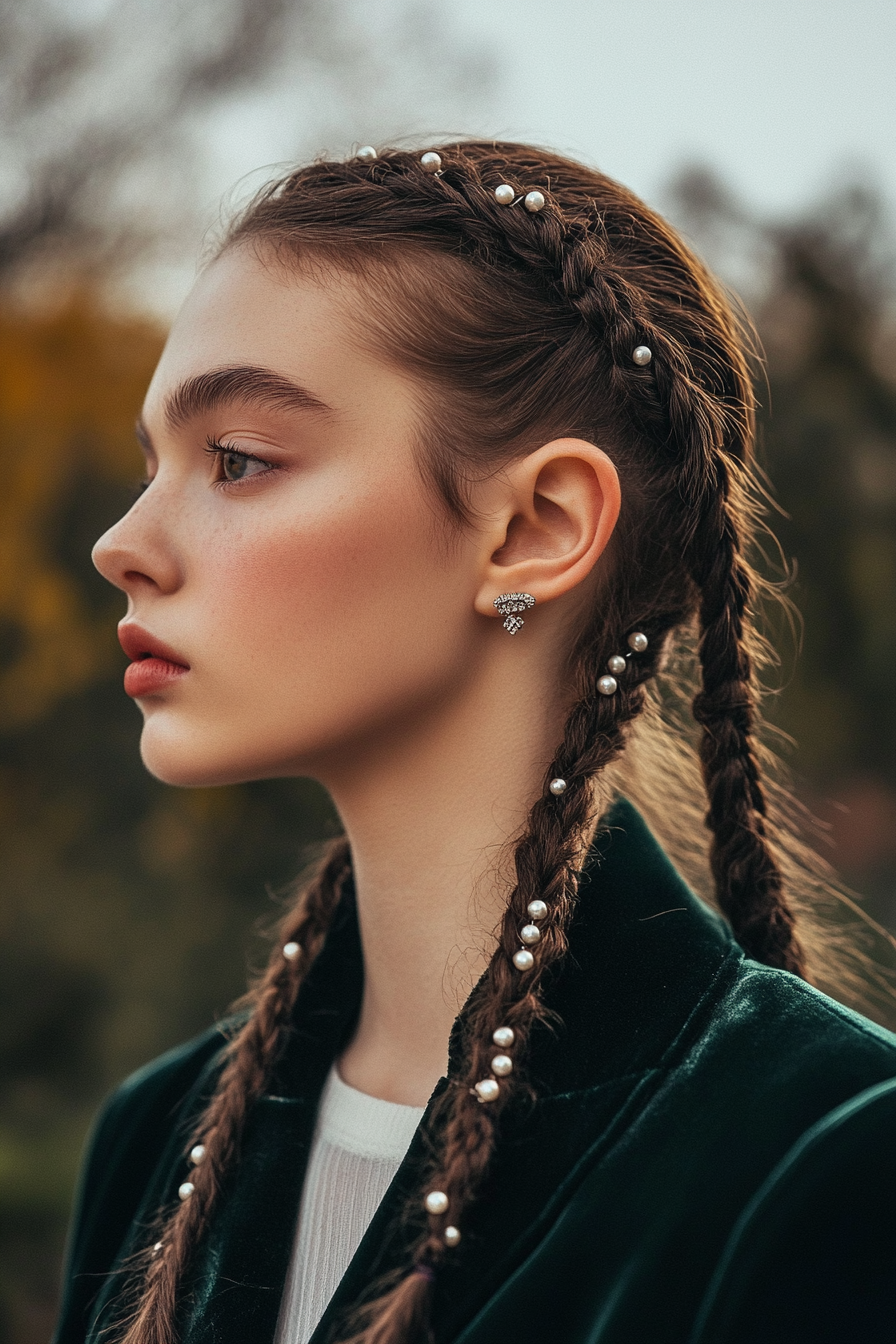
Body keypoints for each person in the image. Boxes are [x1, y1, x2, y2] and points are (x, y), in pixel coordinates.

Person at [54, 141, 896, 1344]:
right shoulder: (153, 1140)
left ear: (535, 529)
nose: (122, 541)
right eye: (155, 465)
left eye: (236, 461)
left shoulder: (827, 1160)